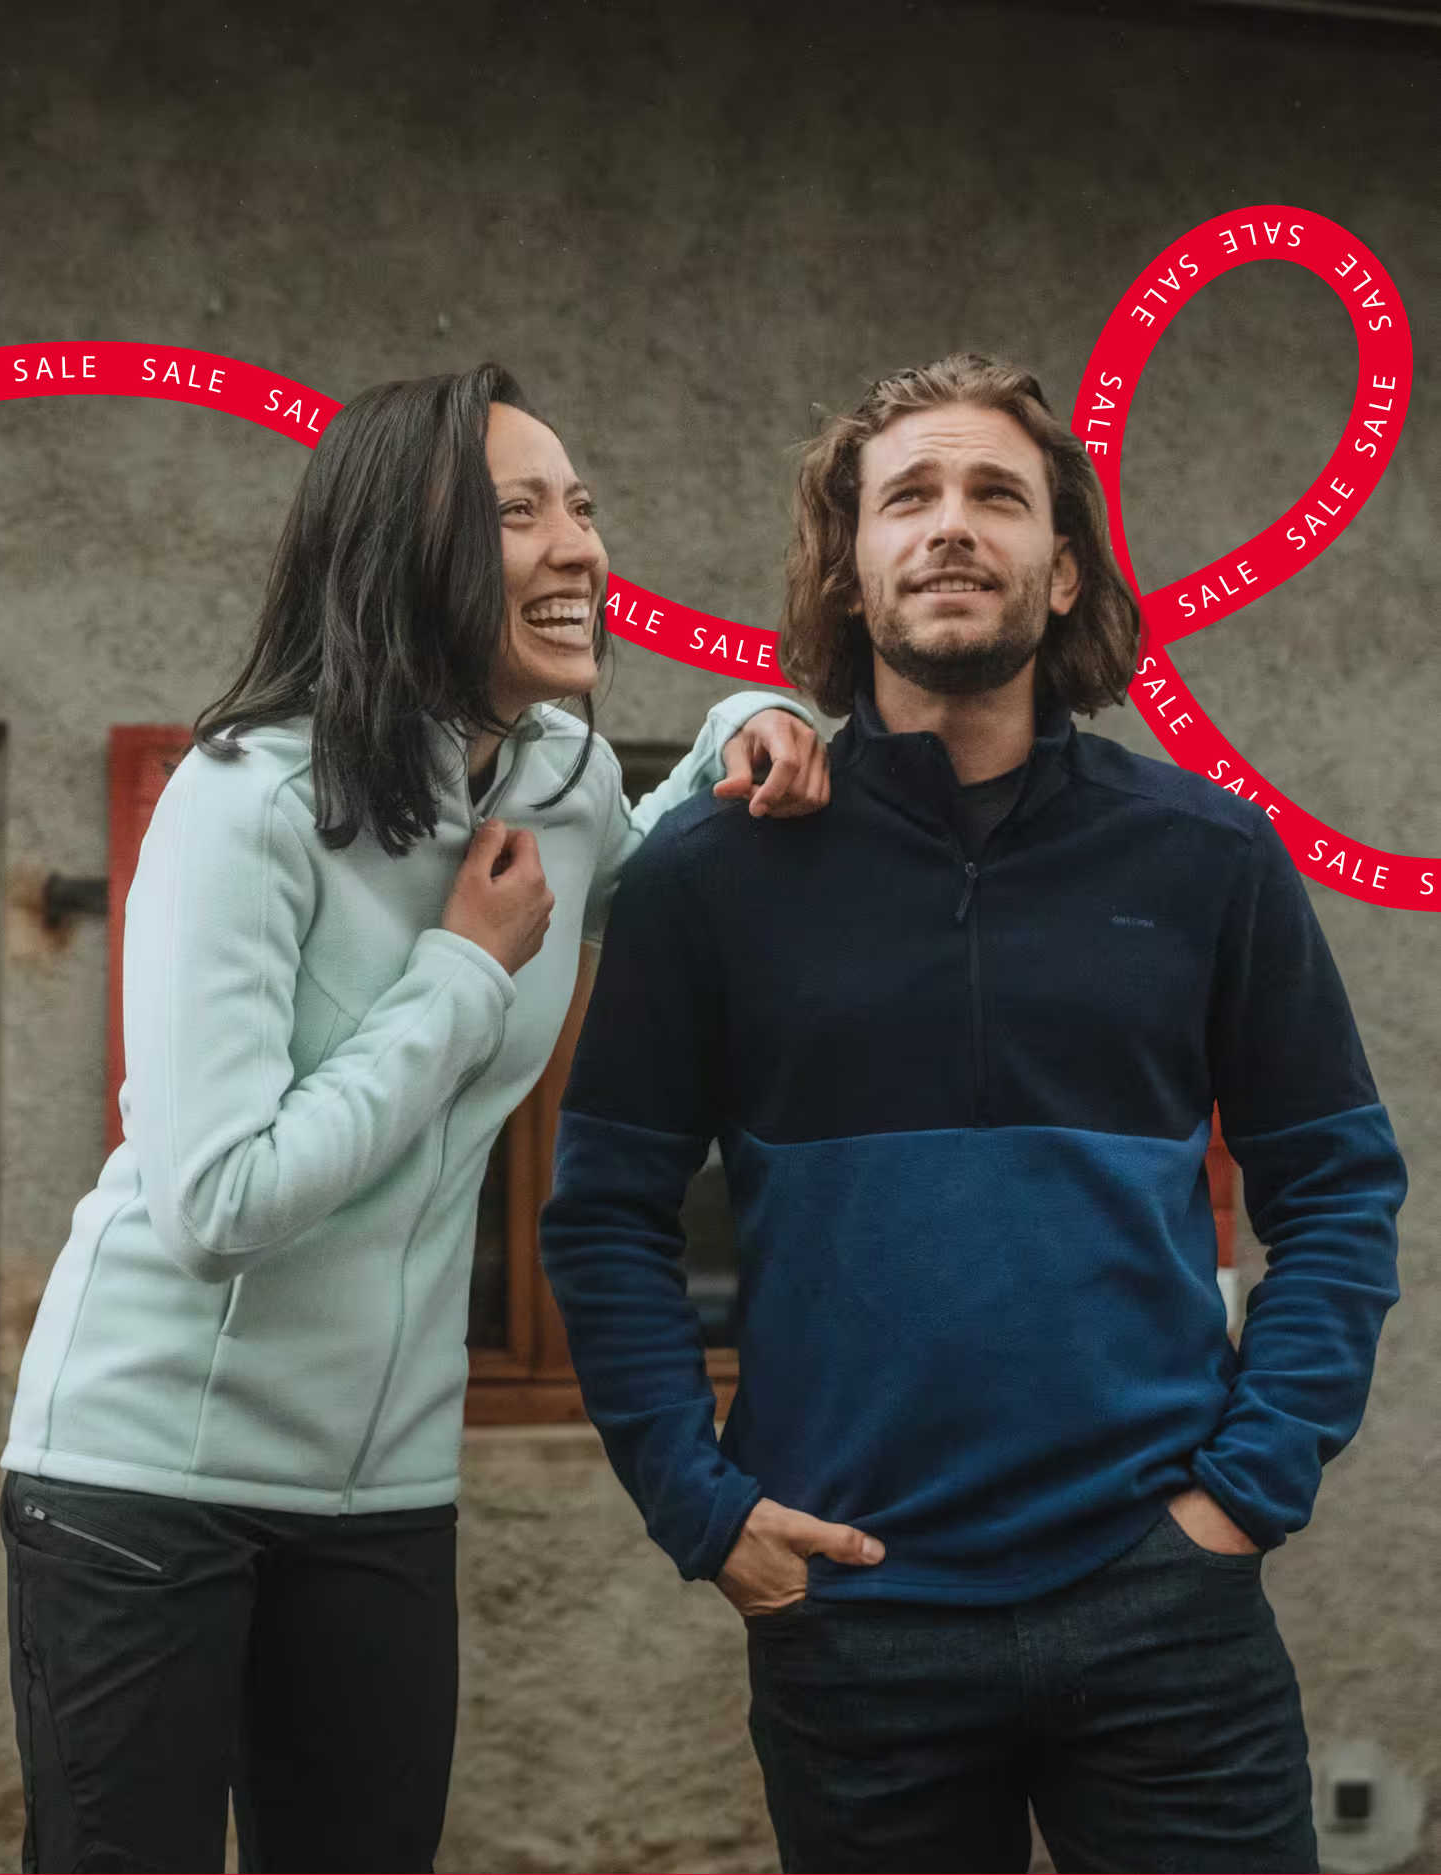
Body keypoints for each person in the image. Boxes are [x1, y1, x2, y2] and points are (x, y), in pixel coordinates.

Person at [540, 353, 1407, 1874]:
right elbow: (605, 1215)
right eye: (910, 498)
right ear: (849, 566)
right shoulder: (713, 878)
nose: (951, 524)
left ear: (1062, 572)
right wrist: (704, 1509)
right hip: (852, 1612)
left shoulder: (1206, 856)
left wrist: (1247, 1489)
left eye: (998, 494)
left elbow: (1336, 1185)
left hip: (1166, 1602)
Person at [0, 363, 828, 1875]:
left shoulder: (562, 778)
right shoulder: (247, 799)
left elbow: (650, 872)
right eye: (521, 513)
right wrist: (456, 973)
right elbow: (217, 1200)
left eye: (583, 507)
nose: (580, 546)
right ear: (405, 545)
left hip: (383, 1483)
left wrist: (747, 716)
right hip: (144, 1478)